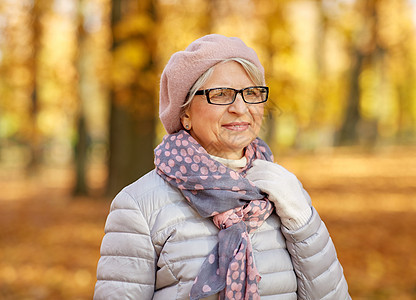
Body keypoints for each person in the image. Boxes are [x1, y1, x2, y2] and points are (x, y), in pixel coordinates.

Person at [94, 34, 351, 300]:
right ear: (185, 114)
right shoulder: (139, 206)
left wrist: (304, 223)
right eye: (221, 94)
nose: (240, 108)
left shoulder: (282, 190)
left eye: (251, 93)